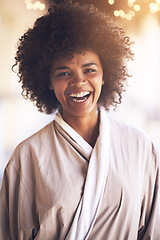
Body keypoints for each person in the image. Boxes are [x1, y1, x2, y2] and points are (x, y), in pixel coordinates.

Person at [0, 1, 160, 239]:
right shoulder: (26, 157)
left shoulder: (139, 146)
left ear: (105, 74)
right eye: (64, 73)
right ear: (47, 82)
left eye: (90, 70)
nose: (78, 83)